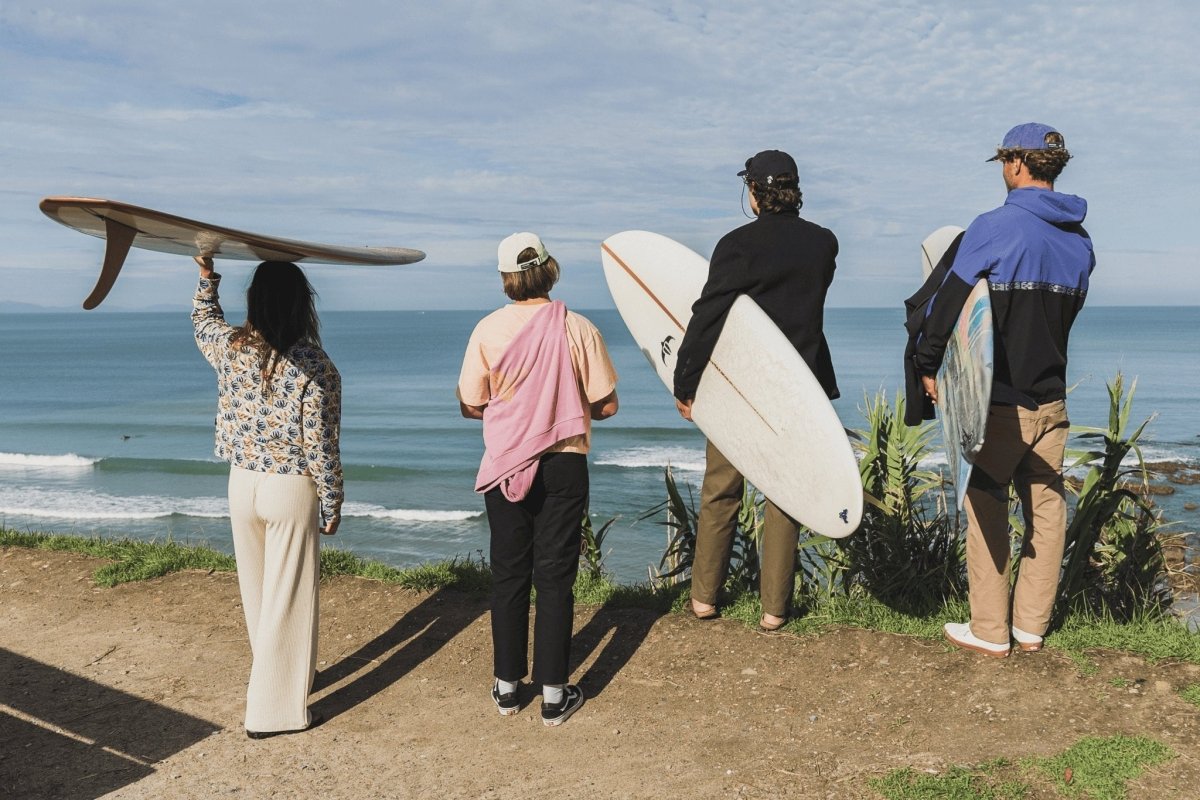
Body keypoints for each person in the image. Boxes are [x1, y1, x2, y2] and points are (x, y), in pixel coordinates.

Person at [914, 123, 1094, 658]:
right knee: (1047, 509)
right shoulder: (1081, 242)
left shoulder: (993, 227)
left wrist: (928, 365)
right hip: (1052, 399)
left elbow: (949, 304)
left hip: (999, 402)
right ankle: (1031, 626)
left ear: (1016, 162)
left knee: (986, 502)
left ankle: (990, 629)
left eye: (1003, 162)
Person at [672, 150, 840, 632]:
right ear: (794, 189)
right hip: (800, 386)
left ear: (754, 192)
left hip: (741, 389)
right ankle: (774, 609)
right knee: (784, 493)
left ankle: (704, 598)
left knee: (721, 489)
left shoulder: (736, 245)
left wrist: (686, 383)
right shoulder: (823, 243)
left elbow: (708, 316)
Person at [457, 232, 618, 727]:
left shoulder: (487, 329)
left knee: (508, 573)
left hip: (506, 464)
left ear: (506, 279)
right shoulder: (578, 328)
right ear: (550, 269)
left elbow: (471, 403)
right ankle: (553, 695)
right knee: (555, 575)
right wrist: (561, 406)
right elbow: (607, 404)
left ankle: (507, 689)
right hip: (564, 463)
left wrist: (515, 411)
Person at [192, 255, 343, 737]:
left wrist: (206, 278)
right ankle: (272, 713)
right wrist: (332, 500)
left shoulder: (233, 348)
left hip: (242, 482)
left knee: (258, 591)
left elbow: (203, 323)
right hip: (289, 486)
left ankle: (277, 677)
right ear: (303, 305)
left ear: (254, 301)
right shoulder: (316, 366)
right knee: (289, 596)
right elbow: (321, 445)